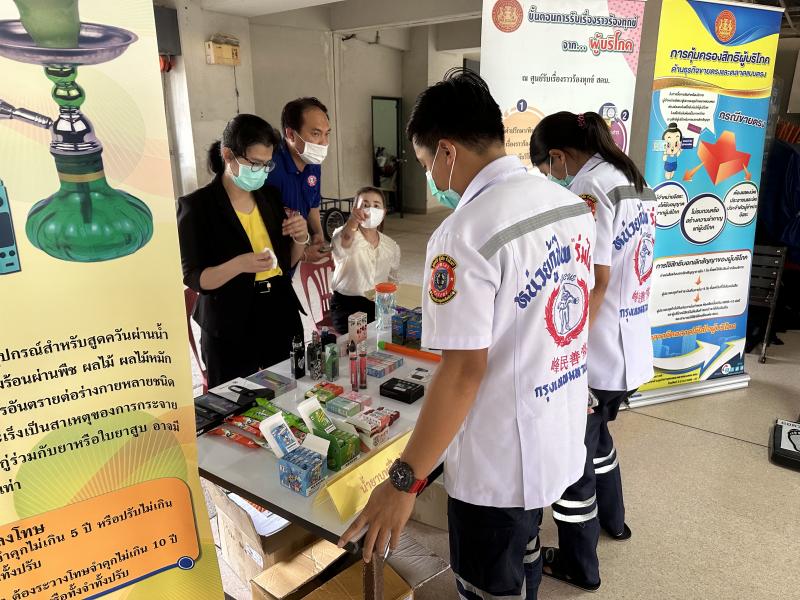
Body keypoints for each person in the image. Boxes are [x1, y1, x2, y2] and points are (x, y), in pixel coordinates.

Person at [338, 70, 596, 600]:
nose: (431, 176)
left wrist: (404, 481)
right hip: (558, 426)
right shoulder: (567, 203)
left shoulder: (463, 233)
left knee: (488, 583)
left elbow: (462, 372)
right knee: (525, 547)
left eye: (426, 162)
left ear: (447, 152)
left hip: (498, 461)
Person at [530, 111, 657, 592]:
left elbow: (596, 281)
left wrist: (568, 355)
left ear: (558, 156)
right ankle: (614, 521)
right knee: (598, 438)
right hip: (630, 345)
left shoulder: (588, 187)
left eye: (548, 169)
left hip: (598, 354)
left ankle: (579, 565)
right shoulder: (633, 178)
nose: (552, 177)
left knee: (573, 459)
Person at [177, 114, 308, 388]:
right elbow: (195, 278)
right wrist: (239, 264)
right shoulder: (197, 207)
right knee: (234, 399)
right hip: (229, 321)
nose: (261, 171)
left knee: (287, 390)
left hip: (279, 312)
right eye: (255, 163)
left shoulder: (269, 197)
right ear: (228, 155)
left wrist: (300, 237)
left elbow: (285, 264)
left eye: (267, 164)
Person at [269, 97, 332, 264]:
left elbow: (312, 203)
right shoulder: (270, 169)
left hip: (298, 248)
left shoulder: (313, 163)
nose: (324, 143)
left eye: (327, 134)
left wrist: (318, 233)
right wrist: (302, 255)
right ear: (291, 134)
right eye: (316, 134)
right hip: (274, 259)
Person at [330, 186, 400, 334]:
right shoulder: (343, 234)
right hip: (346, 305)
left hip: (377, 304)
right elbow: (343, 243)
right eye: (365, 205)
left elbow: (393, 280)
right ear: (355, 210)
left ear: (384, 212)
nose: (370, 210)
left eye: (376, 206)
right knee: (363, 339)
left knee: (394, 333)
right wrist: (352, 222)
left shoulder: (391, 246)